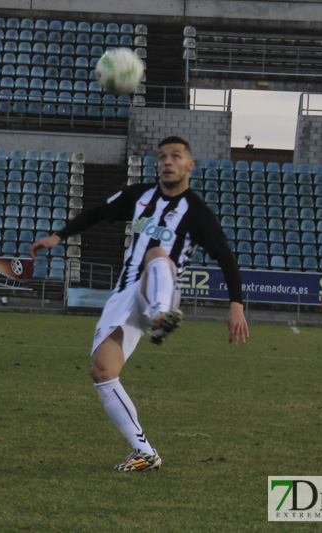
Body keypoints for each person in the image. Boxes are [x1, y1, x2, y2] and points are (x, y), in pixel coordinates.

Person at [31, 136, 249, 472]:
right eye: (162, 157)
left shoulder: (197, 212)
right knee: (102, 371)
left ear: (190, 166)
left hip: (160, 287)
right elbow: (98, 213)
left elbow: (225, 257)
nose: (167, 162)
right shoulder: (140, 196)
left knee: (156, 253)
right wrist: (58, 236)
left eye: (176, 157)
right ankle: (144, 452)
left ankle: (162, 316)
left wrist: (237, 304)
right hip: (125, 294)